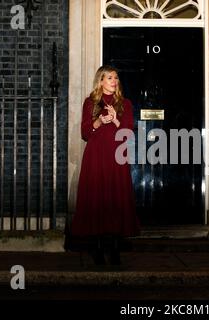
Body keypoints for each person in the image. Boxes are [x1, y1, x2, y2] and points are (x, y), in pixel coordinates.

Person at [71, 65, 140, 265]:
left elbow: (128, 133)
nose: (114, 81)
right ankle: (98, 250)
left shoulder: (125, 103)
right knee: (97, 200)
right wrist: (100, 121)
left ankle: (115, 250)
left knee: (115, 199)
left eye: (116, 78)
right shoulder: (90, 102)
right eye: (110, 77)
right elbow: (85, 133)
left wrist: (116, 120)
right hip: (96, 155)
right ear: (100, 81)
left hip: (116, 156)